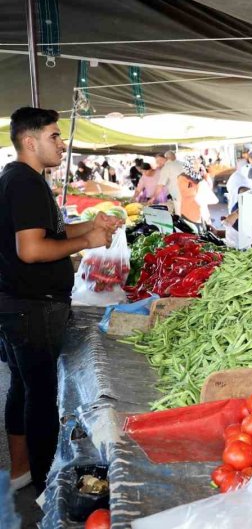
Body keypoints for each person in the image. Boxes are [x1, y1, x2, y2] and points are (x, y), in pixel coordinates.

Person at [0, 107, 121, 493]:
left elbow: (51, 231)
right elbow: (32, 250)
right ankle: (43, 482)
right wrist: (86, 242)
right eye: (54, 136)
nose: (62, 143)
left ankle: (21, 470)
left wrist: (91, 226)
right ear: (30, 141)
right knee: (40, 391)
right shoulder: (25, 183)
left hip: (21, 303)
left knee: (23, 386)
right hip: (31, 305)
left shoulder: (21, 179)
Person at [152, 150, 186, 215]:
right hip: (189, 195)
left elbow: (160, 185)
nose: (157, 163)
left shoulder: (166, 167)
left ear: (165, 158)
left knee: (180, 216)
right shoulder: (182, 163)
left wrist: (153, 198)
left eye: (158, 161)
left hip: (178, 196)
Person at [177, 159, 205, 225]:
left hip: (199, 211)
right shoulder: (182, 178)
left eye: (198, 164)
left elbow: (209, 189)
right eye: (195, 164)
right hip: (189, 211)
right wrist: (199, 182)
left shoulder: (198, 177)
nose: (199, 166)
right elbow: (189, 193)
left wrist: (205, 175)